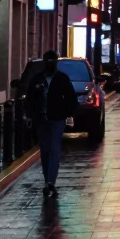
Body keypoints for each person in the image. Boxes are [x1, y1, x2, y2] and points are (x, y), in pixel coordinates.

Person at [26, 51, 78, 198]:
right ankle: (47, 180)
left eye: (52, 61)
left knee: (54, 150)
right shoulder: (37, 80)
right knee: (45, 151)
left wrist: (69, 114)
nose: (50, 64)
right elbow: (30, 99)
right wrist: (29, 116)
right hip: (41, 120)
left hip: (57, 119)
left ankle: (50, 182)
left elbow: (71, 98)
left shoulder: (62, 79)